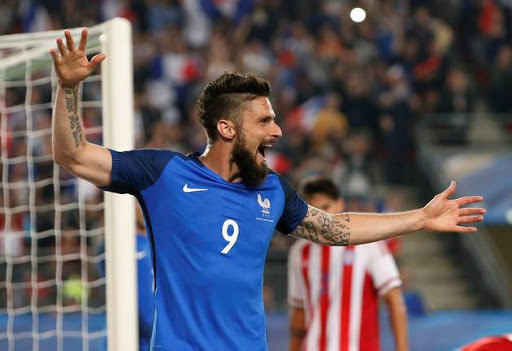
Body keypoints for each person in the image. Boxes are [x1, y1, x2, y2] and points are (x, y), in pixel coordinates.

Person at [50, 28, 485, 351]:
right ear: (226, 128)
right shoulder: (162, 173)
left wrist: (421, 218)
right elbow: (73, 155)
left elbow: (336, 228)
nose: (278, 129)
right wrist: (69, 88)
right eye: (264, 121)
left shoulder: (274, 191)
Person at [288, 176, 408, 351]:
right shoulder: (299, 252)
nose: (320, 217)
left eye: (326, 208)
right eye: (313, 211)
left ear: (340, 204)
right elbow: (299, 314)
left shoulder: (367, 243)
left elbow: (394, 299)